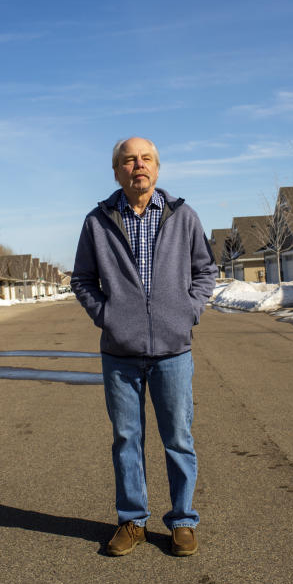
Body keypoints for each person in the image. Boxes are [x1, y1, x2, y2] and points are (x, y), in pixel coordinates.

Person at [71, 136, 218, 557]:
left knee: (178, 438)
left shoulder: (183, 216)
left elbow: (205, 271)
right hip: (120, 354)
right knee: (126, 439)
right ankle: (132, 520)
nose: (139, 166)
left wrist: (187, 312)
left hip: (173, 352)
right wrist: (108, 316)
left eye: (147, 159)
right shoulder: (97, 222)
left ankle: (183, 520)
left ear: (157, 168)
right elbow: (81, 280)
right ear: (117, 170)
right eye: (130, 160)